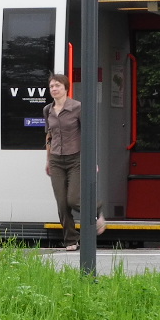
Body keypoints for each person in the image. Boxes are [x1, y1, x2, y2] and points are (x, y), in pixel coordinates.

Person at [44, 73, 103, 249]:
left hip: (75, 159)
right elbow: (49, 136)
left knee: (73, 199)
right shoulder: (47, 110)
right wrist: (48, 160)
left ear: (66, 88)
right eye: (51, 86)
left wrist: (91, 160)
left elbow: (88, 135)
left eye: (57, 85)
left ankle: (96, 209)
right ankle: (71, 240)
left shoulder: (78, 107)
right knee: (62, 204)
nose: (54, 89)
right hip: (56, 160)